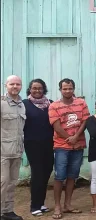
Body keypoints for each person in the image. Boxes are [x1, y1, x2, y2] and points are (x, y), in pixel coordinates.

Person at [48, 78, 90, 219]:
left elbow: (85, 120)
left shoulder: (81, 103)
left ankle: (68, 204)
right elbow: (57, 126)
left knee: (72, 176)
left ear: (74, 89)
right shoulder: (54, 106)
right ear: (60, 89)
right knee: (59, 177)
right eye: (65, 88)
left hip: (78, 145)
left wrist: (76, 137)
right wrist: (71, 140)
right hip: (61, 146)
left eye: (70, 88)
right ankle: (58, 207)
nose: (67, 91)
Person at [22, 79, 54, 217]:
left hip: (49, 143)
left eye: (40, 88)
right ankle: (34, 205)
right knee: (37, 173)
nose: (37, 91)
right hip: (32, 143)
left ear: (44, 89)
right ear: (30, 89)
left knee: (47, 171)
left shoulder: (51, 103)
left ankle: (41, 203)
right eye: (34, 88)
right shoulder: (24, 104)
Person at [1, 75, 25, 220]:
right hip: (2, 151)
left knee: (12, 182)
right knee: (2, 182)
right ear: (6, 85)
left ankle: (7, 211)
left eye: (18, 84)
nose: (15, 87)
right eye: (12, 84)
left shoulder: (21, 104)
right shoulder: (1, 102)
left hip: (16, 150)